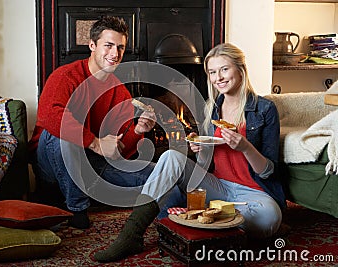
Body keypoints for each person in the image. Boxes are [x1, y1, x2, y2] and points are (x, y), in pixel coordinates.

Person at [94, 43, 286, 262]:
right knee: (169, 157)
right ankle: (131, 234)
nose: (218, 78)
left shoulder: (265, 109)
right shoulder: (211, 108)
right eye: (212, 72)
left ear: (240, 69)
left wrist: (245, 147)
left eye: (224, 69)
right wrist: (201, 150)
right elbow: (208, 164)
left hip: (254, 193)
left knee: (269, 218)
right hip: (219, 187)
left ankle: (200, 219)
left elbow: (269, 171)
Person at [28, 16, 157, 229]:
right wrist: (96, 143)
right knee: (63, 132)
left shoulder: (120, 92)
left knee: (158, 171)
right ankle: (77, 208)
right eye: (108, 45)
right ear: (92, 45)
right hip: (52, 161)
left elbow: (119, 153)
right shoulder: (65, 76)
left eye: (120, 48)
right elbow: (50, 116)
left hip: (93, 163)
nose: (115, 54)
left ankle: (175, 214)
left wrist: (138, 130)